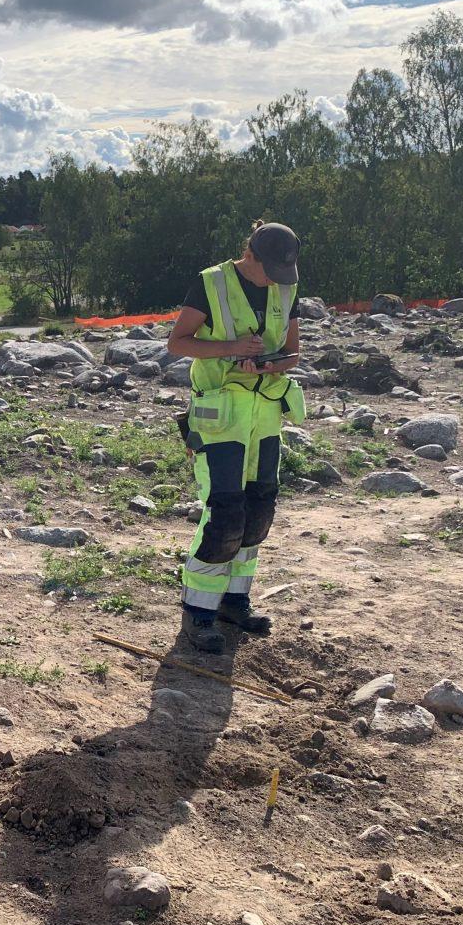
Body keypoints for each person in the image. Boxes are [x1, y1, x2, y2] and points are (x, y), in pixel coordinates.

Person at [166, 221, 305, 653]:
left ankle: (234, 603)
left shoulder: (285, 286)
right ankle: (199, 613)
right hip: (220, 418)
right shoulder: (211, 283)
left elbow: (293, 354)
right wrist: (231, 350)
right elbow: (178, 343)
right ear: (252, 256)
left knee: (258, 511)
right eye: (271, 273)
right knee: (225, 513)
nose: (277, 283)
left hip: (264, 417)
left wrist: (267, 365)